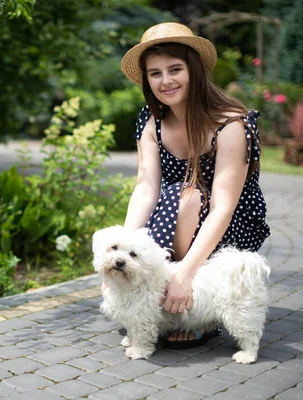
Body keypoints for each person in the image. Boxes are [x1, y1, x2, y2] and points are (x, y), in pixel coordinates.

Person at [119, 22, 271, 348]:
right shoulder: (151, 119)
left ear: (195, 70)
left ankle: (200, 308)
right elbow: (146, 187)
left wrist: (185, 274)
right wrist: (120, 250)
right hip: (176, 216)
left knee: (185, 195)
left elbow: (223, 207)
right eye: (155, 73)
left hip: (229, 223)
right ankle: (161, 297)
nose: (166, 81)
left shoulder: (231, 123)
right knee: (173, 197)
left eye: (175, 69)